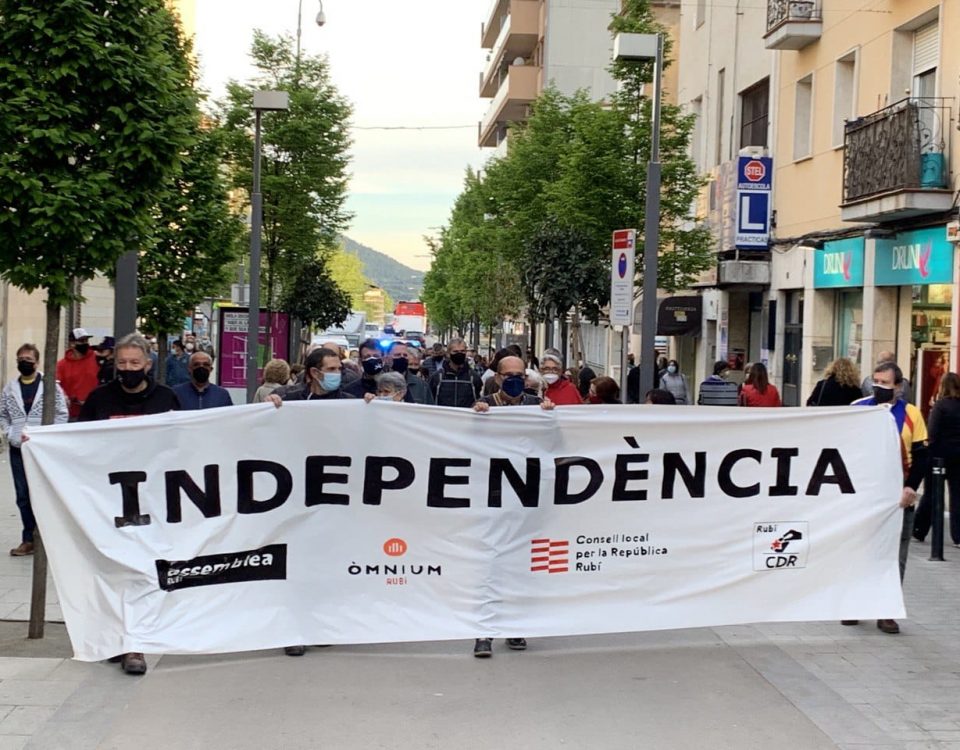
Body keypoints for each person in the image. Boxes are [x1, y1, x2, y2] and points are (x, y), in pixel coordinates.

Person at [79, 333, 180, 674]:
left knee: (142, 571)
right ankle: (116, 638)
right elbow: (77, 443)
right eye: (121, 363)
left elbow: (183, 446)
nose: (127, 369)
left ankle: (134, 645)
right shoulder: (98, 400)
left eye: (134, 363)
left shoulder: (166, 399)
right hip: (108, 502)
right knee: (111, 571)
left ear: (148, 365)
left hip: (152, 503)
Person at [472, 355, 554, 658]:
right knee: (490, 565)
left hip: (527, 496)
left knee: (522, 566)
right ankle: (485, 632)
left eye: (520, 375)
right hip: (492, 496)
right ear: (497, 378)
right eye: (508, 375)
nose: (515, 380)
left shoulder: (537, 404)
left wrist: (550, 419)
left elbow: (554, 444)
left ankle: (516, 626)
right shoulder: (483, 404)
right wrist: (475, 418)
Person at [848, 361, 928, 635]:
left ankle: (887, 610)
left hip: (897, 497)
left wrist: (911, 487)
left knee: (896, 555)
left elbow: (921, 455)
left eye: (885, 383)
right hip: (864, 494)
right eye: (876, 381)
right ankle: (855, 604)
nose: (879, 387)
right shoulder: (858, 408)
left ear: (898, 386)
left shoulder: (911, 414)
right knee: (860, 551)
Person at [0, 344, 68, 556]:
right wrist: (10, 433)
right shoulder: (10, 388)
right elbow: (2, 414)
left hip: (42, 449)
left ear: (37, 362)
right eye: (21, 358)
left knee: (44, 492)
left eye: (28, 358)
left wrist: (49, 435)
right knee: (23, 495)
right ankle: (28, 538)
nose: (24, 362)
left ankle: (47, 536)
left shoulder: (50, 386)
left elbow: (61, 413)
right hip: (18, 448)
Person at [914, 372, 960, 545]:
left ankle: (919, 529)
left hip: (939, 456)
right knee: (957, 497)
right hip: (958, 457)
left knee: (932, 494)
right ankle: (958, 536)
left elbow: (932, 433)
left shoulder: (940, 406)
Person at [270, 347, 355, 403]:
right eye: (331, 369)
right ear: (315, 372)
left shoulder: (349, 402)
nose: (337, 373)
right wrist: (270, 404)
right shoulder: (292, 400)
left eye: (339, 369)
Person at [56, 327, 99, 419]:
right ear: (72, 344)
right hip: (73, 414)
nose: (85, 343)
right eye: (81, 341)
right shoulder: (61, 365)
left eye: (86, 340)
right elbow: (57, 388)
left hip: (96, 413)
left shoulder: (97, 359)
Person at [429, 338, 483, 408]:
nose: (459, 354)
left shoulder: (474, 377)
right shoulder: (437, 377)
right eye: (455, 352)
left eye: (462, 351)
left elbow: (480, 399)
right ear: (448, 354)